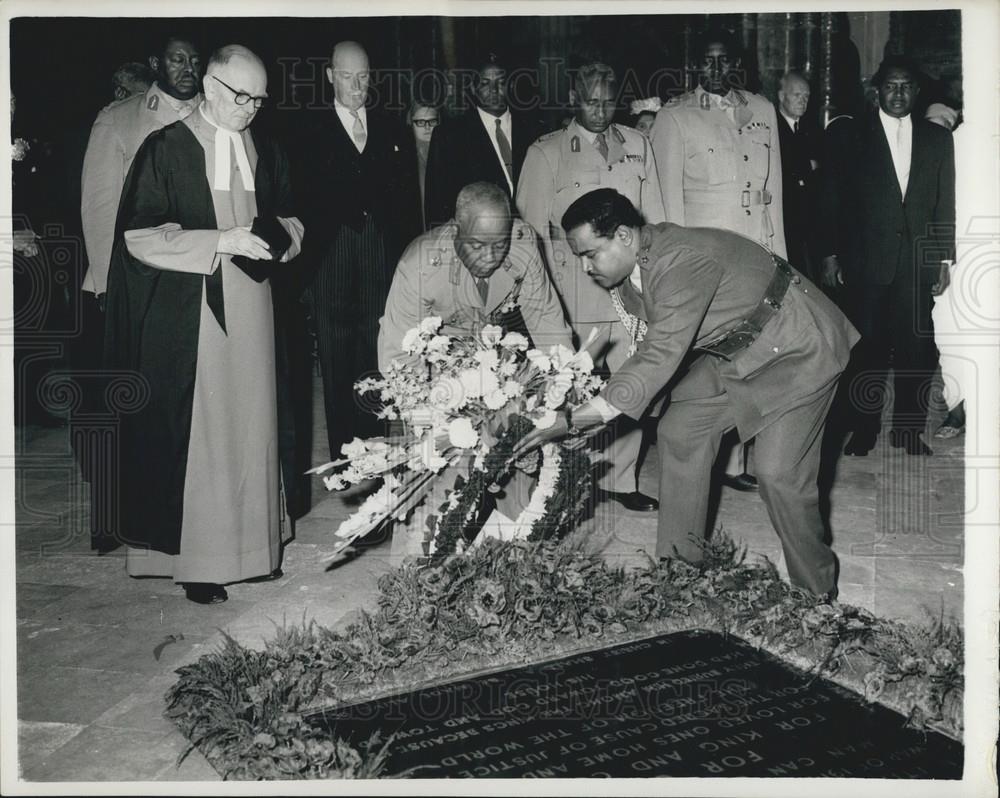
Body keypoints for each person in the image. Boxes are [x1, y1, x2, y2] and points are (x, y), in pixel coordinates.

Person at [514, 189, 859, 600]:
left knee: (778, 474)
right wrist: (599, 411)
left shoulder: (680, 260)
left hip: (798, 347)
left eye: (591, 254)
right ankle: (679, 575)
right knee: (681, 430)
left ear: (624, 236)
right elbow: (650, 350)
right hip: (736, 351)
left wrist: (580, 418)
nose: (587, 267)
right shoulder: (629, 275)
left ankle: (816, 593)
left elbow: (660, 355)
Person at [103, 45, 304, 604]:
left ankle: (255, 550)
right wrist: (219, 241)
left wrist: (280, 240)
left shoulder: (262, 145)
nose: (251, 110)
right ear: (211, 88)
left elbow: (292, 215)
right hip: (193, 315)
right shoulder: (164, 148)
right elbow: (138, 236)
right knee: (207, 434)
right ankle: (200, 561)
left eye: (260, 100)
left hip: (255, 308)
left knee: (255, 425)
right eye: (243, 97)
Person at [516, 60, 665, 512]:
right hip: (573, 296)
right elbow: (529, 236)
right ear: (573, 100)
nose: (599, 110)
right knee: (573, 393)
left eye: (607, 100)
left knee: (634, 385)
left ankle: (620, 479)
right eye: (589, 100)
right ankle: (569, 478)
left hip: (629, 294)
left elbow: (654, 220)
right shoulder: (547, 153)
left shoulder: (639, 145)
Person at [652, 30, 786, 492]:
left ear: (736, 66)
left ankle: (735, 463)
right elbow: (667, 203)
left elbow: (775, 196)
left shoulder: (763, 111)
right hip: (709, 266)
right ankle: (691, 459)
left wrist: (780, 259)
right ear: (695, 67)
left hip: (757, 257)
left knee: (751, 356)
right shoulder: (675, 117)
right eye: (707, 62)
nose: (716, 70)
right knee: (703, 363)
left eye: (725, 61)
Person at [819, 56, 955, 456]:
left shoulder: (937, 139)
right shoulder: (850, 135)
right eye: (890, 85)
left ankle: (909, 431)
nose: (898, 93)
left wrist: (942, 259)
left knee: (917, 348)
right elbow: (831, 199)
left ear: (917, 91)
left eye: (906, 86)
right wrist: (829, 253)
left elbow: (943, 203)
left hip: (916, 263)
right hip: (865, 261)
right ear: (877, 90)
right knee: (867, 349)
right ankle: (865, 427)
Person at [297, 40, 420, 460]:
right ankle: (344, 457)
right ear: (330, 76)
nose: (356, 86)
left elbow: (406, 204)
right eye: (347, 76)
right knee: (335, 355)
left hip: (379, 254)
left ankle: (375, 450)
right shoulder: (307, 130)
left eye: (363, 76)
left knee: (375, 347)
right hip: (330, 256)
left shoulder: (391, 128)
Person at [378, 181, 572, 370]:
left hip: (497, 358)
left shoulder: (522, 244)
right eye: (477, 246)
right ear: (456, 231)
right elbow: (399, 353)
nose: (490, 258)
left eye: (499, 245)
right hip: (438, 365)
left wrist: (566, 378)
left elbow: (547, 321)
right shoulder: (420, 266)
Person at [81, 35, 204, 300]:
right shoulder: (118, 118)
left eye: (195, 62)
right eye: (178, 60)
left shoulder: (216, 112)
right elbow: (100, 206)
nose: (189, 70)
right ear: (156, 64)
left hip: (205, 267)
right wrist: (106, 281)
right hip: (141, 271)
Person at [424, 55, 539, 227]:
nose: (493, 90)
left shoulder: (534, 130)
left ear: (511, 85)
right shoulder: (450, 136)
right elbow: (438, 202)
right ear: (473, 87)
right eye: (485, 83)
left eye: (500, 82)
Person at [923, 102, 968, 439]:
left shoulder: (972, 153)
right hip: (943, 261)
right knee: (948, 334)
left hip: (979, 256)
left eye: (944, 123)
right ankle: (956, 412)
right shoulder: (926, 158)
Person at [775, 72, 822, 280]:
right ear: (781, 96)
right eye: (797, 95)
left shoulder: (809, 129)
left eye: (806, 96)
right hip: (784, 222)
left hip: (805, 223)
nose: (803, 101)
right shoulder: (772, 128)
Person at [402, 98, 441, 231]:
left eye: (432, 121)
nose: (427, 127)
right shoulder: (403, 159)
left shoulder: (448, 155)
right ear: (411, 123)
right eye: (420, 122)